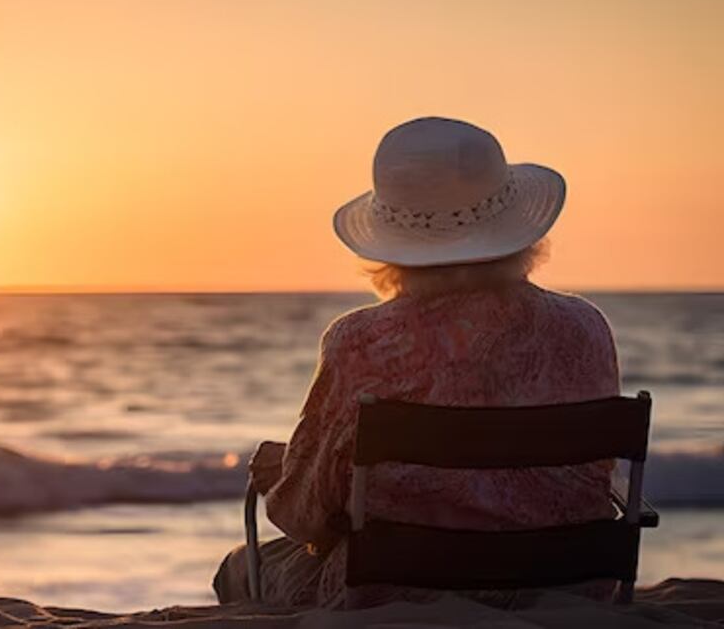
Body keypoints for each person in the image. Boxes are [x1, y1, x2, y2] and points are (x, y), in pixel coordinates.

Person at [212, 117, 621, 609]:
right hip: (566, 584)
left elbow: (309, 520)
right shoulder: (585, 327)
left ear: (391, 243)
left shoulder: (360, 341)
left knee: (239, 568)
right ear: (515, 226)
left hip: (397, 589)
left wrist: (288, 475)